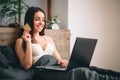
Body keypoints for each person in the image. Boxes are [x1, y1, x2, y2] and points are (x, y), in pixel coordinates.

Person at [15, 7, 120, 80]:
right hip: (42, 72)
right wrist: (28, 42)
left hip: (55, 68)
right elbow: (27, 66)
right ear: (29, 21)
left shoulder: (48, 39)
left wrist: (63, 62)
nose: (41, 23)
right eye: (37, 19)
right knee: (80, 73)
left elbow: (59, 59)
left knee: (89, 69)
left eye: (43, 20)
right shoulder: (20, 41)